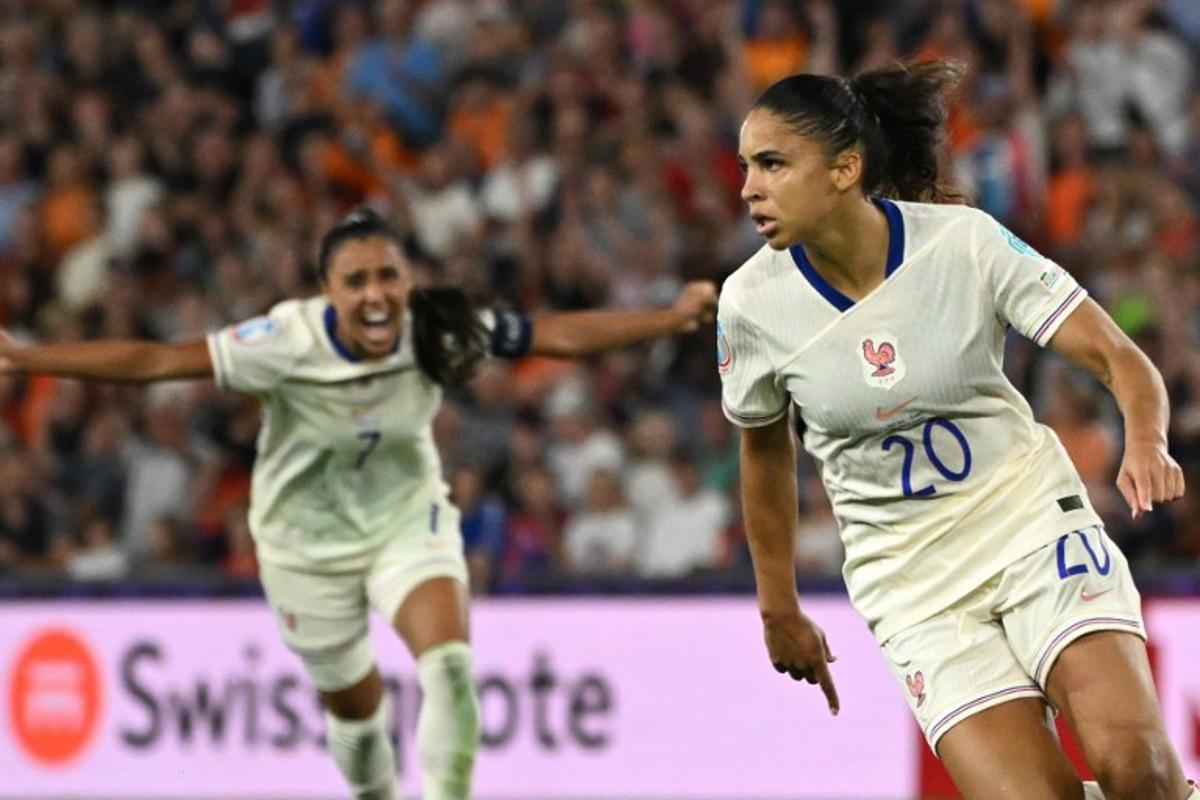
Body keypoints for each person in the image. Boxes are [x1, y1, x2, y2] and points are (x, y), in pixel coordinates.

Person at [0, 207, 717, 800]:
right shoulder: (284, 340)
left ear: (408, 280)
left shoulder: (435, 325)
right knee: (359, 714)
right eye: (356, 281)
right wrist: (30, 359)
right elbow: (158, 362)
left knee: (449, 670)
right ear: (326, 290)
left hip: (406, 520)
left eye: (388, 276)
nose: (375, 295)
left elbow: (550, 335)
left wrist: (667, 318)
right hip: (302, 548)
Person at [718, 61, 1197, 800]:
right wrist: (778, 608)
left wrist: (1145, 438)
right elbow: (763, 453)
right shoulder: (750, 304)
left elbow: (1114, 353)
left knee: (1140, 771)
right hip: (914, 587)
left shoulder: (963, 244)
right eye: (746, 165)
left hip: (1030, 527)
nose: (748, 186)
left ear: (845, 169)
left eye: (772, 164)